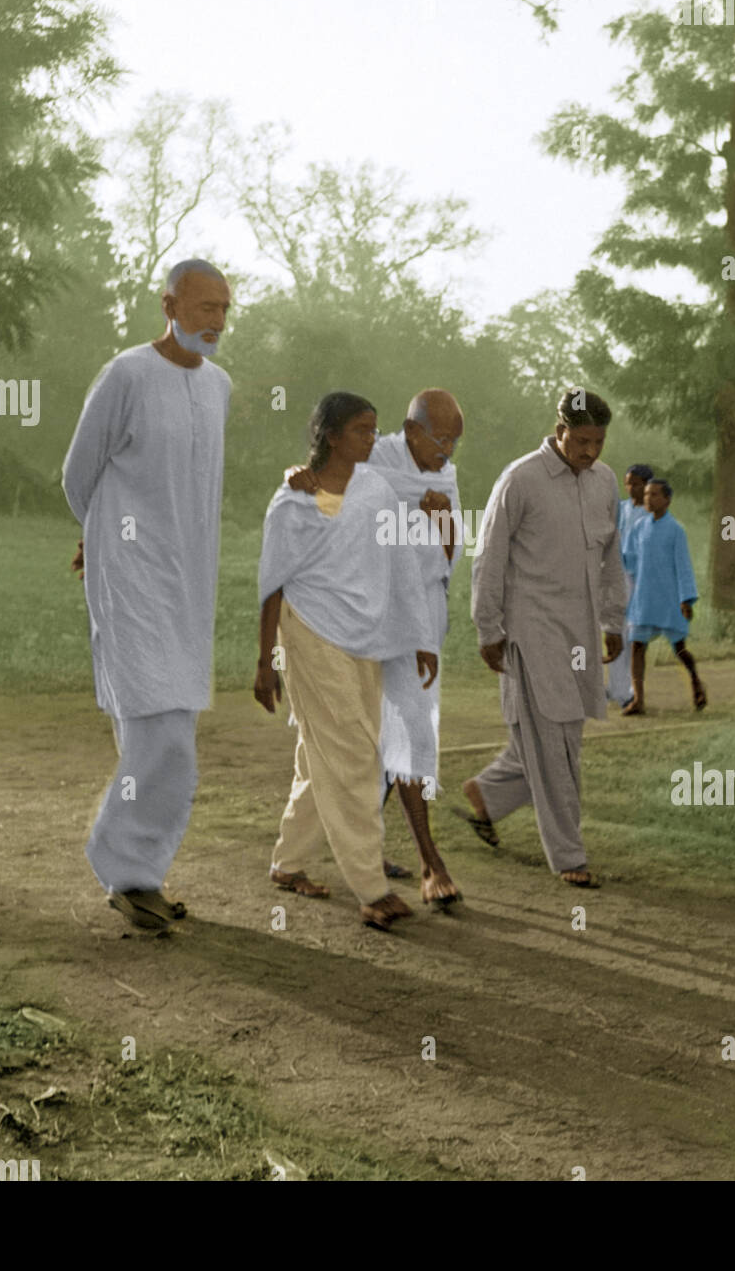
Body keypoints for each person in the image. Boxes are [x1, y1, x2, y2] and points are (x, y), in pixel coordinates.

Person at [63, 259, 232, 931]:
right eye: (203, 308)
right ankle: (125, 867)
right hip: (129, 574)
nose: (215, 322)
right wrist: (101, 538)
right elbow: (80, 471)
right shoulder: (127, 373)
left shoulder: (219, 386)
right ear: (168, 305)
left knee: (171, 723)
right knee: (158, 727)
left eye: (224, 309)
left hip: (190, 581)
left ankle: (139, 877)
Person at [255, 392, 439, 931]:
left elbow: (401, 562)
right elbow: (272, 586)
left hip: (365, 636)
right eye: (360, 430)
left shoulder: (376, 490)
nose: (370, 439)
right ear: (331, 436)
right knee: (356, 755)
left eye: (373, 429)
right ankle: (370, 887)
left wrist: (420, 635)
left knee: (325, 754)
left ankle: (288, 863)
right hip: (309, 632)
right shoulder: (292, 503)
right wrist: (266, 662)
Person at [287, 389, 465, 907]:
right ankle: (410, 859)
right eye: (442, 437)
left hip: (420, 611)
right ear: (411, 431)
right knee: (362, 731)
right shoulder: (374, 459)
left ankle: (406, 856)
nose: (449, 450)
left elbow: (448, 552)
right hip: (370, 611)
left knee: (408, 728)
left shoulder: (444, 474)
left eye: (457, 440)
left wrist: (441, 520)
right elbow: (323, 491)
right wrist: (295, 480)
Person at [460, 389, 627, 889]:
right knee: (552, 741)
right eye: (581, 440)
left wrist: (613, 621)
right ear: (560, 430)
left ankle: (487, 796)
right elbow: (488, 557)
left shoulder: (604, 483)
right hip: (529, 630)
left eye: (598, 441)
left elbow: (612, 559)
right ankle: (569, 856)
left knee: (562, 736)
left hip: (579, 631)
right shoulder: (521, 479)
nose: (590, 451)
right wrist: (488, 628)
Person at [622, 478, 707, 714]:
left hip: (670, 599)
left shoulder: (676, 530)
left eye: (655, 494)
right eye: (647, 494)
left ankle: (696, 682)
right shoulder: (638, 528)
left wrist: (686, 599)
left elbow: (684, 566)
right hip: (644, 598)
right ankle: (638, 699)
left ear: (667, 500)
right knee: (637, 646)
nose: (649, 498)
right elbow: (628, 558)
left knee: (679, 649)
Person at [606, 463, 653, 708]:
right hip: (618, 577)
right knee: (615, 631)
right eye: (628, 483)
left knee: (633, 635)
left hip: (640, 578)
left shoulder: (651, 514)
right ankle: (616, 687)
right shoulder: (621, 509)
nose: (631, 488)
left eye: (636, 483)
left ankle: (631, 690)